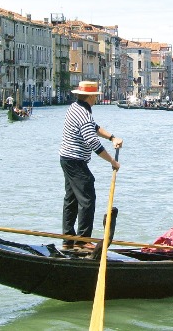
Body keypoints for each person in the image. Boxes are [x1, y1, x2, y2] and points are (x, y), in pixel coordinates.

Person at [59, 81, 123, 250]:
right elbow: (93, 142)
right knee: (87, 196)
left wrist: (112, 138)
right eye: (95, 96)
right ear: (89, 96)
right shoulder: (83, 113)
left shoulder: (75, 108)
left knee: (71, 198)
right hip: (75, 160)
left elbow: (94, 128)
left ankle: (68, 239)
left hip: (67, 158)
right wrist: (112, 161)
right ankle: (82, 240)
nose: (96, 99)